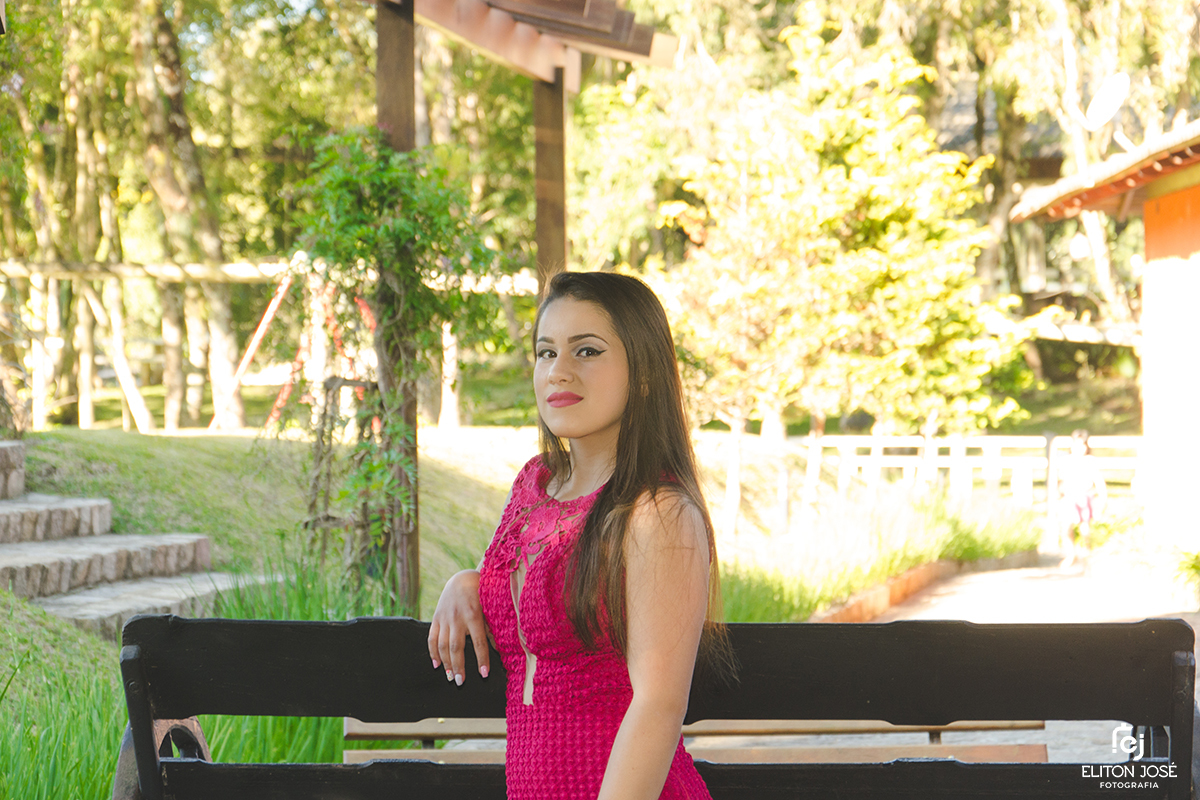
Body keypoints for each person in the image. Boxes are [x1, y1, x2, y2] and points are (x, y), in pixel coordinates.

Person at [428, 271, 733, 800]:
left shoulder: (657, 512)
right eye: (546, 352)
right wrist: (467, 582)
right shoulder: (535, 485)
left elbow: (658, 706)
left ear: (643, 374)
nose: (558, 371)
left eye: (586, 351)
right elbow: (532, 597)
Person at [1058, 429, 1107, 568]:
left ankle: (1087, 553)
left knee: (1085, 528)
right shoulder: (1066, 461)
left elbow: (1098, 480)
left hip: (1085, 496)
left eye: (1082, 445)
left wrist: (1103, 497)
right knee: (1066, 528)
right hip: (1069, 497)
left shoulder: (1090, 461)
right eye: (1076, 444)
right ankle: (1071, 554)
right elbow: (1061, 480)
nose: (1079, 448)